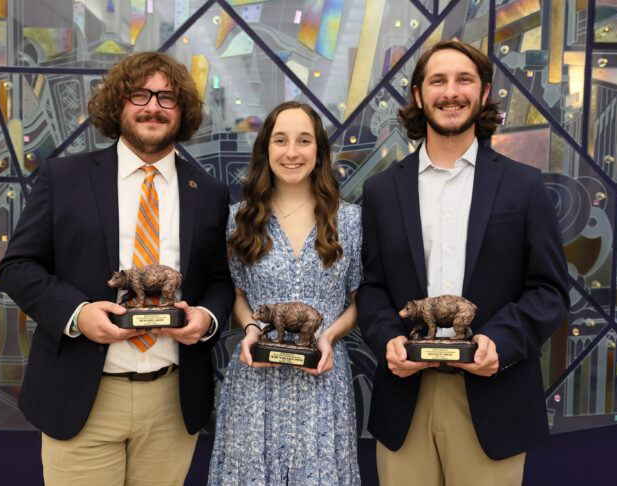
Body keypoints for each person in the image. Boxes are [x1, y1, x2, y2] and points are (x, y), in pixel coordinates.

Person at [0, 52, 234, 485]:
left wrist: (209, 318)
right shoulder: (62, 177)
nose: (153, 107)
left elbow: (218, 279)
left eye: (168, 97)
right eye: (140, 94)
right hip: (83, 396)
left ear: (183, 112)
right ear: (118, 105)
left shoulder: (210, 192)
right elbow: (17, 266)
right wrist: (77, 314)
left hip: (172, 399)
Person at [356, 40, 570, 485]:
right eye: (438, 80)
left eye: (464, 80)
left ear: (484, 92)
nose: (450, 92)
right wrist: (389, 341)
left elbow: (549, 290)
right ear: (418, 95)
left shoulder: (525, 186)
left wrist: (501, 343)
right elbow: (372, 288)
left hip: (495, 401)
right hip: (405, 402)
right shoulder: (380, 192)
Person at [207, 101, 362, 485]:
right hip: (255, 384)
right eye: (281, 140)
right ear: (265, 150)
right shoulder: (238, 218)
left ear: (320, 152)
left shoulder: (350, 220)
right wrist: (251, 331)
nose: (292, 152)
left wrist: (328, 335)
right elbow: (237, 294)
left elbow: (361, 301)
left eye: (304, 140)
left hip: (323, 381)